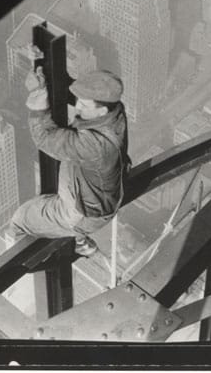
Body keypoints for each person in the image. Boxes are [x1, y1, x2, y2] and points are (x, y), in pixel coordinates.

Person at [10, 69, 129, 257]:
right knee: (56, 189)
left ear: (101, 110)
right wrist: (46, 71)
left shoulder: (95, 145)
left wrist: (37, 100)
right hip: (97, 196)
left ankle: (35, 265)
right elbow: (79, 95)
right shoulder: (115, 112)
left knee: (20, 220)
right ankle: (79, 238)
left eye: (83, 103)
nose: (78, 106)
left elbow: (44, 138)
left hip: (84, 214)